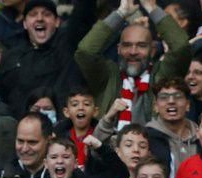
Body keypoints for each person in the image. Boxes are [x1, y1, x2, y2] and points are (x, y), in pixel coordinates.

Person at [75, 0, 191, 128]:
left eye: (141, 46)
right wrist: (120, 13)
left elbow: (181, 46)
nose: (133, 52)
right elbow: (85, 52)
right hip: (107, 146)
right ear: (118, 49)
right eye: (127, 45)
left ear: (152, 51)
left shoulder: (164, 76)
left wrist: (152, 8)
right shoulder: (108, 76)